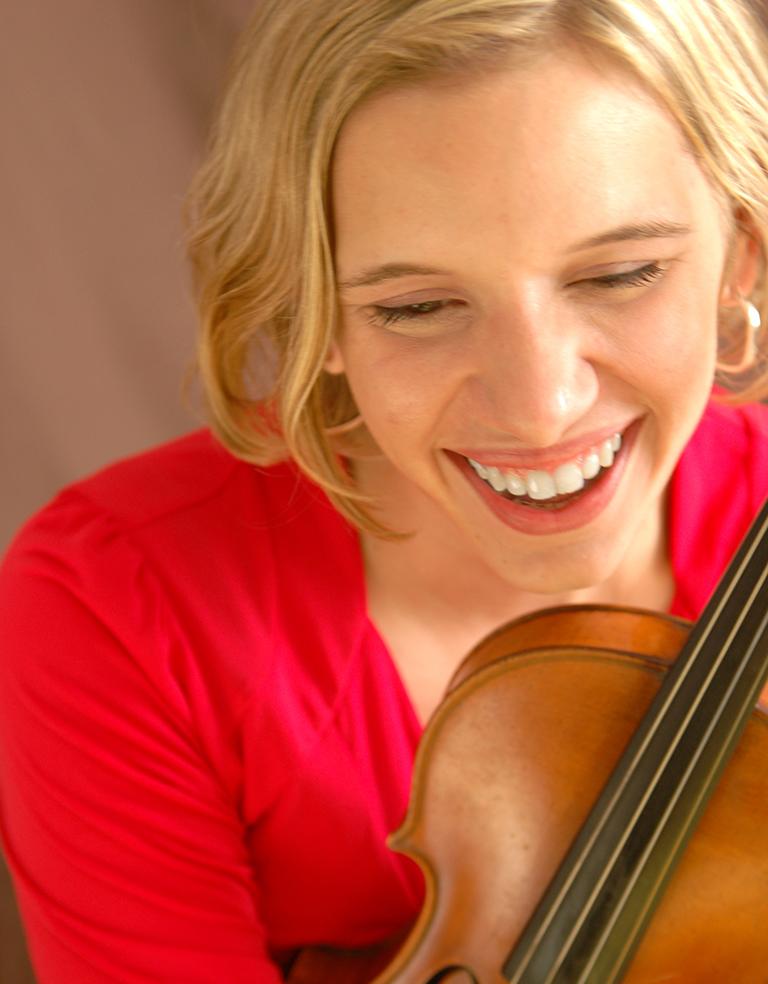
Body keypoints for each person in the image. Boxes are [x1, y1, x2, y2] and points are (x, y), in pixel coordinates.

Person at [1, 0, 767, 980]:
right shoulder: (122, 605)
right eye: (416, 307)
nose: (541, 406)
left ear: (738, 255)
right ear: (309, 308)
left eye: (620, 275)